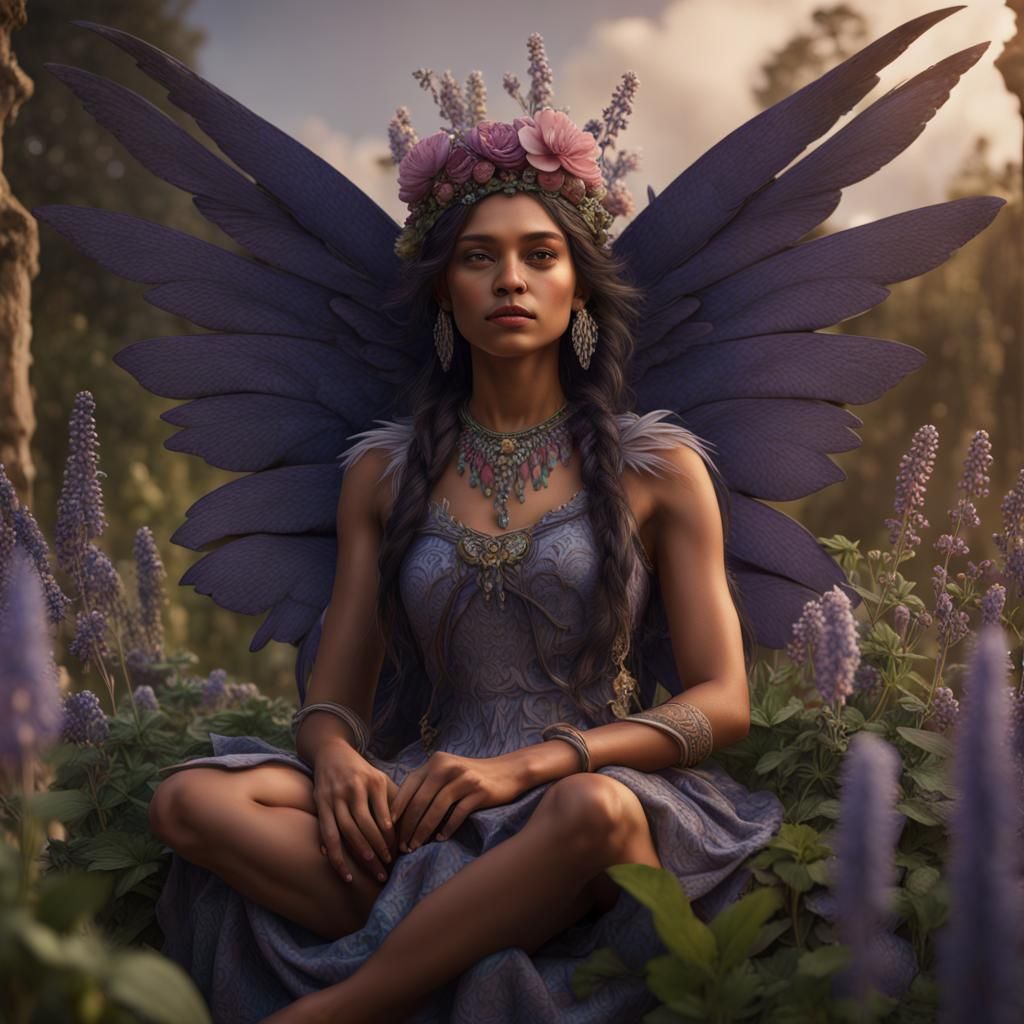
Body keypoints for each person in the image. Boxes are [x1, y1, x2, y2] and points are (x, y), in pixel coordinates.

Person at [33, 12, 1002, 1024]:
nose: (509, 280)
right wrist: (339, 763)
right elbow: (333, 701)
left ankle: (340, 1006)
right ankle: (469, 932)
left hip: (593, 800)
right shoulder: (382, 472)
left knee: (586, 815)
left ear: (577, 284)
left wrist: (539, 760)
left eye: (540, 255)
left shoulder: (659, 466)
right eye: (478, 259)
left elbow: (722, 704)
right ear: (442, 294)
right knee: (191, 799)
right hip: (434, 800)